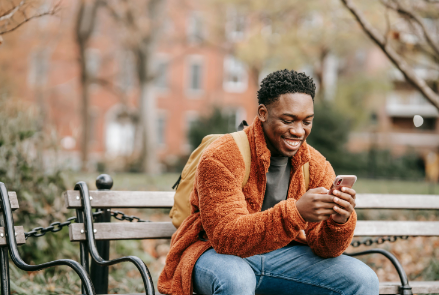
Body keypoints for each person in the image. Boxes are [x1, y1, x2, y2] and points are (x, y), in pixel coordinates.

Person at [158, 69, 379, 295]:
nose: (298, 131)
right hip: (214, 254)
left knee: (363, 279)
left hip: (282, 257)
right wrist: (297, 213)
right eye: (288, 120)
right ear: (263, 113)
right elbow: (226, 238)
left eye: (307, 121)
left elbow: (326, 248)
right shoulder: (222, 155)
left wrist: (339, 220)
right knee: (237, 279)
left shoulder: (315, 164)